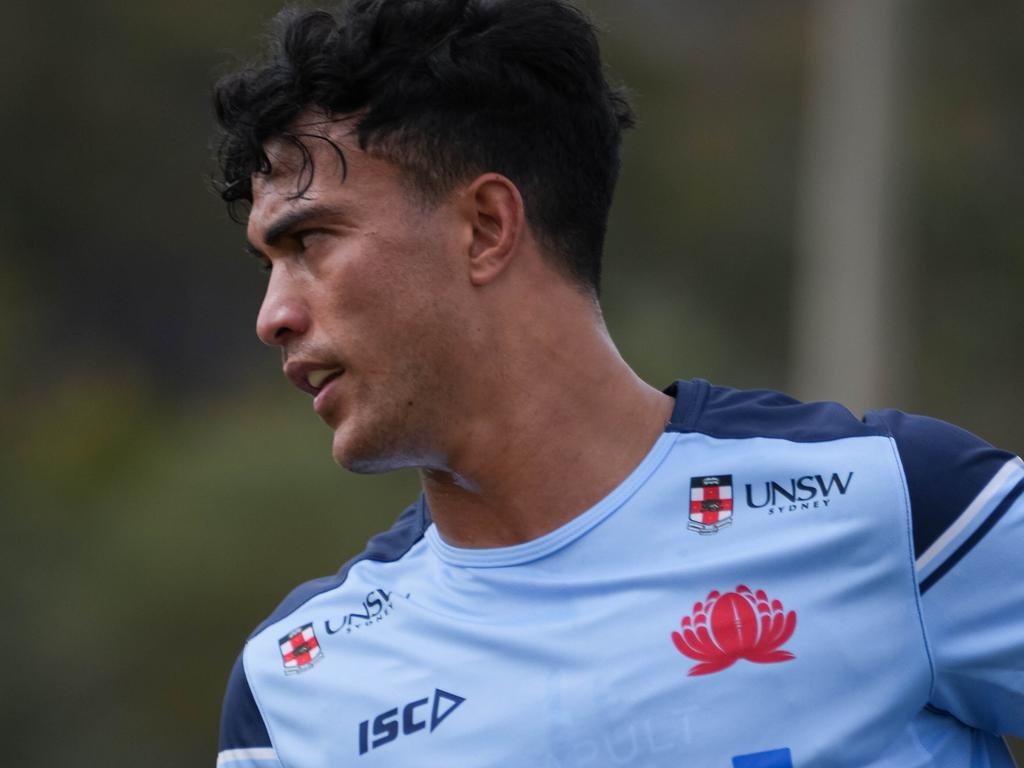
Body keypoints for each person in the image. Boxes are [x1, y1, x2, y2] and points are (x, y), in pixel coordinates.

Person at [211, 1, 1024, 766]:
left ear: (487, 227)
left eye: (310, 241)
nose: (272, 315)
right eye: (267, 264)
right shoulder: (295, 684)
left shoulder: (899, 507)